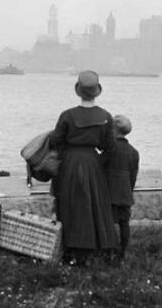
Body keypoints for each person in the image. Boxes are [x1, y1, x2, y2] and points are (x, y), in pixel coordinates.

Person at [50, 70, 118, 265]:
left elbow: (55, 140)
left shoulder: (67, 115)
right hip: (91, 162)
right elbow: (110, 147)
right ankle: (94, 248)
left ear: (78, 90)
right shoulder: (105, 116)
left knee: (69, 205)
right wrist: (97, 163)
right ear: (97, 92)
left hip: (70, 163)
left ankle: (70, 249)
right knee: (93, 206)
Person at [103, 115, 140, 259]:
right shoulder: (133, 152)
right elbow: (133, 175)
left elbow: (100, 164)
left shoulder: (111, 148)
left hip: (109, 192)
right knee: (124, 223)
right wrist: (129, 191)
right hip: (125, 193)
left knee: (109, 223)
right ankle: (122, 252)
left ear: (114, 130)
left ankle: (109, 251)